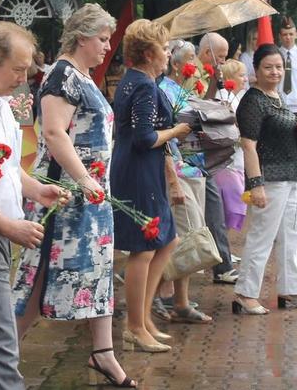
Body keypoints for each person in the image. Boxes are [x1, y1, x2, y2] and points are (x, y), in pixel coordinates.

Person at [12, 3, 135, 388]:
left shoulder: (81, 75)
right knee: (38, 273)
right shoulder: (62, 77)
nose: (107, 46)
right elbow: (53, 132)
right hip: (63, 196)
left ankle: (104, 353)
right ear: (82, 37)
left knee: (98, 271)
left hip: (90, 195)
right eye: (102, 39)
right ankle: (2, 352)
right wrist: (83, 179)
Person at [0, 21, 68, 390]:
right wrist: (8, 226)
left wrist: (36, 189)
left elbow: (6, 167)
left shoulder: (4, 104)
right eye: (18, 69)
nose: (23, 78)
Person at [112, 20, 191, 354]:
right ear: (147, 53)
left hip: (142, 169)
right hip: (139, 171)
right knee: (142, 250)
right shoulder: (144, 85)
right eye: (164, 47)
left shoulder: (135, 81)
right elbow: (145, 138)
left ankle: (144, 320)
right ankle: (135, 326)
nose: (168, 53)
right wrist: (177, 131)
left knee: (168, 240)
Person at [232, 44, 297, 315]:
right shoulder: (253, 101)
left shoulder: (277, 97)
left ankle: (290, 289)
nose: (275, 72)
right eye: (268, 67)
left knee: (291, 236)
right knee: (262, 236)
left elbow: (279, 133)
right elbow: (248, 145)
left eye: (279, 67)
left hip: (290, 176)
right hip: (269, 177)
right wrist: (256, 184)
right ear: (256, 69)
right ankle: (245, 293)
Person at [155, 39, 212, 325]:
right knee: (180, 235)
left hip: (195, 168)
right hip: (177, 170)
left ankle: (180, 301)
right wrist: (173, 179)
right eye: (191, 59)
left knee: (189, 234)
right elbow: (164, 135)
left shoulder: (189, 89)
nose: (196, 65)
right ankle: (159, 295)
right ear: (176, 64)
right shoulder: (164, 90)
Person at [195, 32, 239, 284]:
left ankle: (222, 264)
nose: (223, 62)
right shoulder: (190, 73)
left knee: (214, 206)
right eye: (220, 57)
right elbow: (195, 107)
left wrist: (215, 81)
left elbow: (207, 103)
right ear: (206, 54)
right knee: (206, 208)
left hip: (204, 152)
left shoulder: (207, 73)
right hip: (190, 154)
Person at [215, 59, 248, 232]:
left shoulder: (236, 97)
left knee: (233, 202)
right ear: (230, 77)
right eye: (241, 75)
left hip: (237, 159)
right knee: (229, 204)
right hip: (227, 162)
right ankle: (222, 249)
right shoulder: (223, 98)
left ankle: (224, 247)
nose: (246, 79)